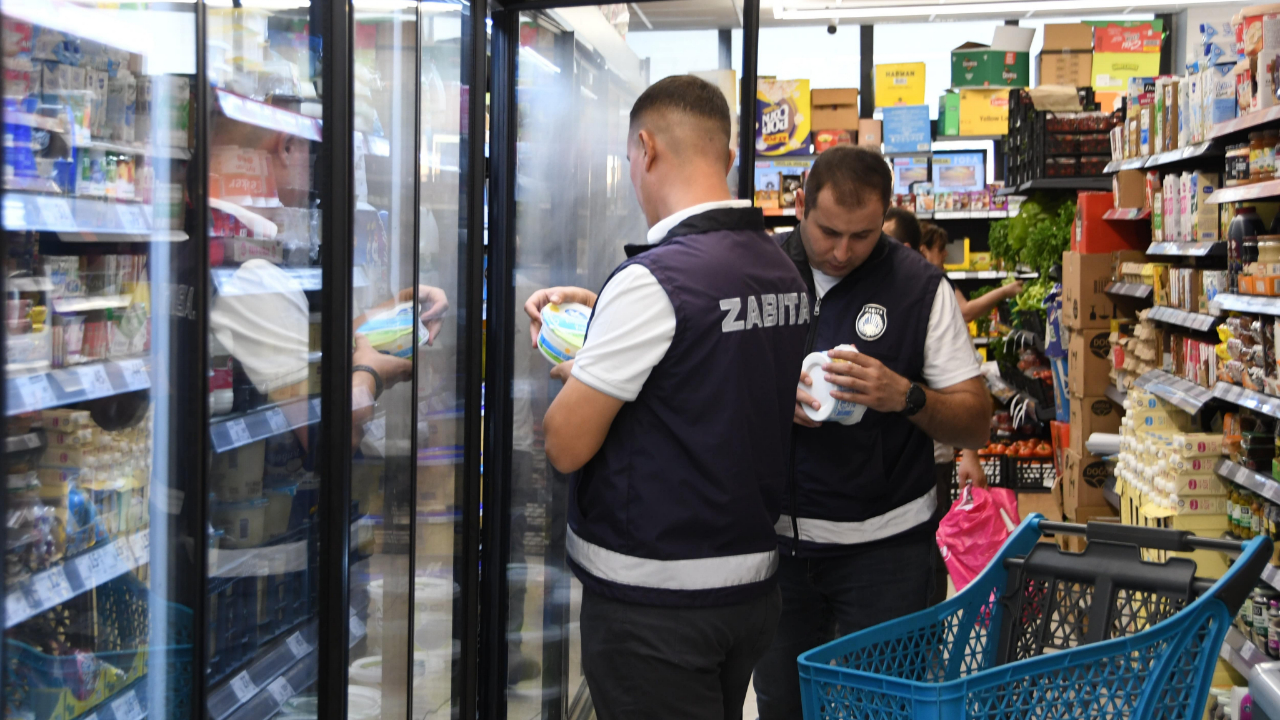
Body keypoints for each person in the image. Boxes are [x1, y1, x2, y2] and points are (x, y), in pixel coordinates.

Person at [522, 74, 808, 720]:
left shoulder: (655, 280)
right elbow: (709, 367)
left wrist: (580, 369)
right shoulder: (779, 268)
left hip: (655, 606)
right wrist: (604, 332)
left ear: (645, 149)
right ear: (729, 156)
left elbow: (566, 444)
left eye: (629, 160)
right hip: (748, 592)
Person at [752, 145, 993, 720]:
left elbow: (977, 420)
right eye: (828, 231)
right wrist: (765, 397)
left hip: (886, 554)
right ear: (801, 204)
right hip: (775, 549)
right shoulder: (755, 272)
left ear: (888, 214)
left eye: (860, 237)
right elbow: (702, 386)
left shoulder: (919, 288)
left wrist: (903, 395)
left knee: (883, 710)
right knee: (783, 705)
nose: (841, 252)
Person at [894, 220, 998, 605]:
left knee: (929, 547)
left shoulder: (928, 294)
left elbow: (967, 393)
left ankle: (929, 630)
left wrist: (968, 453)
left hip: (931, 454)